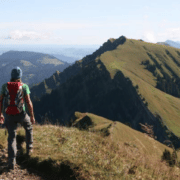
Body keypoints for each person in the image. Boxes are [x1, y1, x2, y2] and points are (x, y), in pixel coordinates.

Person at [0, 67, 35, 170]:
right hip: (22, 114)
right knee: (28, 128)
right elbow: (28, 102)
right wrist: (32, 116)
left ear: (11, 76)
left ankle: (11, 161)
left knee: (11, 137)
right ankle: (29, 149)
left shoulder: (4, 86)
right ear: (20, 76)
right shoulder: (24, 87)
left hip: (9, 115)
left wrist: (1, 114)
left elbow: (0, 100)